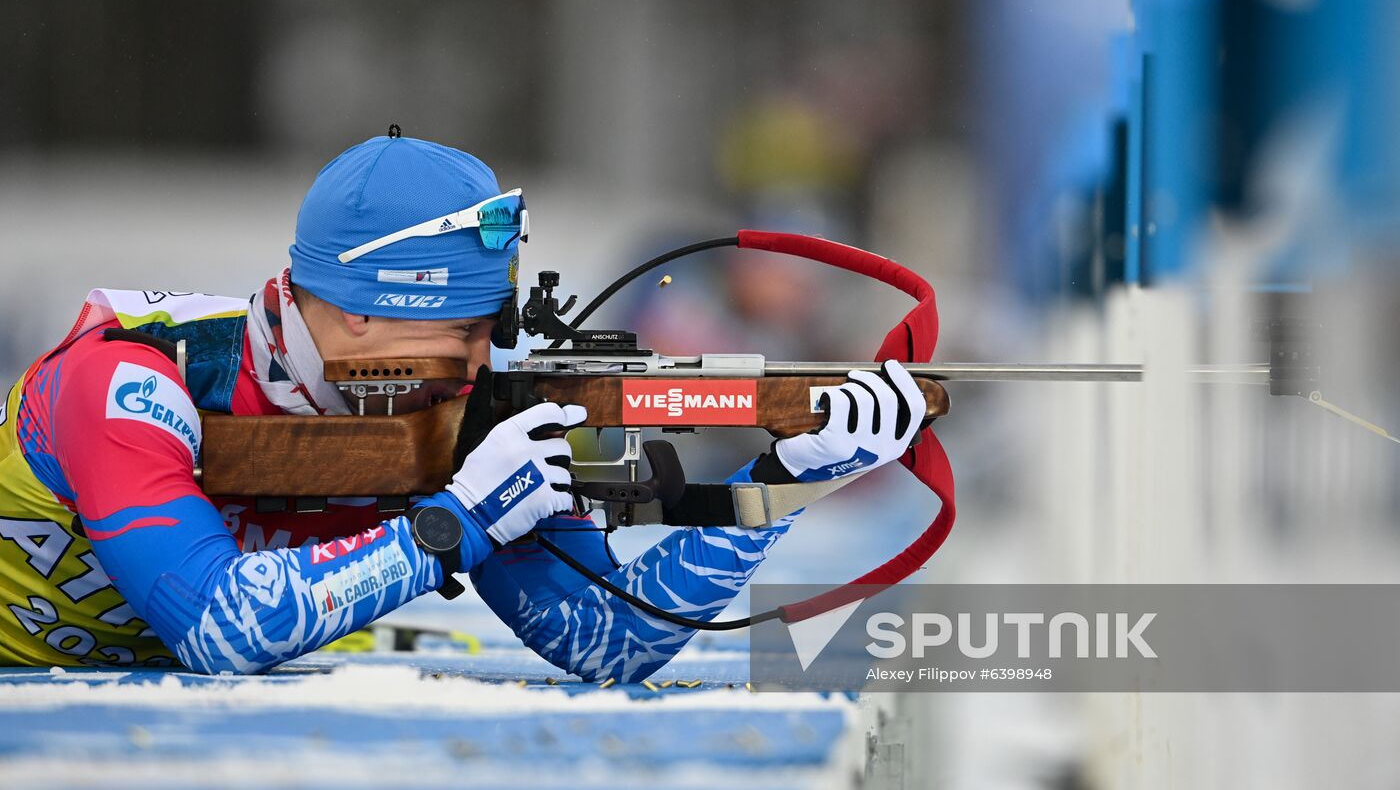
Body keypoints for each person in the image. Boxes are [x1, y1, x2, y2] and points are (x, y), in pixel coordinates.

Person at [0, 132, 924, 680]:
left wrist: (782, 481)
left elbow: (612, 641)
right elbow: (219, 628)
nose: (484, 362)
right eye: (462, 330)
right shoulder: (129, 379)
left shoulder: (456, 407)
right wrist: (456, 524)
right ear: (362, 309)